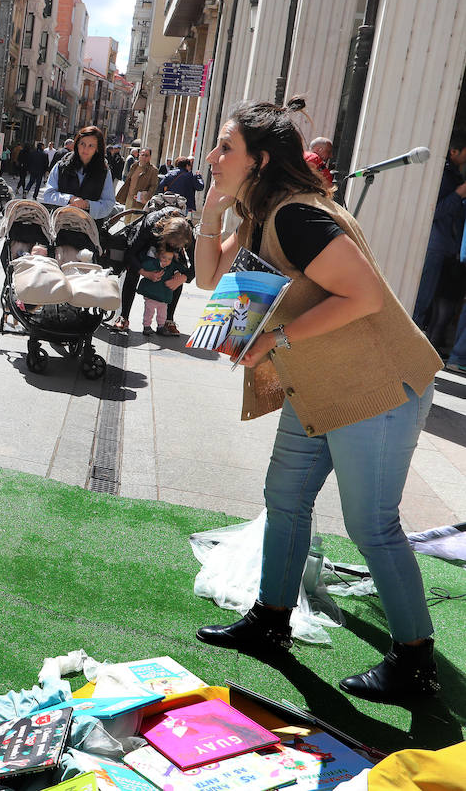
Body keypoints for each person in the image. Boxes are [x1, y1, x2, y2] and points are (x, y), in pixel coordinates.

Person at [192, 98, 442, 705]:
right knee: (284, 500)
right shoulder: (258, 215)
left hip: (377, 391)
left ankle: (414, 659)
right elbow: (208, 280)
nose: (213, 156)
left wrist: (274, 338)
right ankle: (271, 619)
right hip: (320, 390)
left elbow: (363, 296)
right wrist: (212, 211)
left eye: (227, 147)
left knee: (372, 527)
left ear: (262, 160)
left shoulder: (298, 217)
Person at [412, 131, 466, 339]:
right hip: (435, 246)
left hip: (448, 249)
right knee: (422, 298)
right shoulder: (442, 175)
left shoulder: (454, 174)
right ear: (454, 151)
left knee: (438, 301)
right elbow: (434, 212)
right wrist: (459, 194)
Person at [42, 125, 116, 219]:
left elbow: (108, 203)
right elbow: (48, 195)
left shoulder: (104, 172)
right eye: (82, 144)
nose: (85, 149)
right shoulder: (61, 166)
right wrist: (70, 199)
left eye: (91, 146)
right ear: (77, 144)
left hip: (88, 227)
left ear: (97, 148)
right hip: (58, 223)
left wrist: (87, 205)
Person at [135, 218, 194, 336]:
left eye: (179, 245)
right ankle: (126, 317)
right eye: (173, 244)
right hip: (151, 247)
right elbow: (133, 254)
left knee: (163, 309)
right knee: (149, 310)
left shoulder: (188, 235)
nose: (174, 246)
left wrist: (183, 276)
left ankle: (167, 321)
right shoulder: (150, 226)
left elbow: (196, 264)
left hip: (164, 294)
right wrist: (145, 272)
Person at [116, 145, 159, 210]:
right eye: (142, 155)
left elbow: (153, 186)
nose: (144, 157)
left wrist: (146, 197)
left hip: (139, 203)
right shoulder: (134, 166)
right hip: (129, 200)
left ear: (150, 157)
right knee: (126, 220)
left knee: (135, 220)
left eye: (146, 155)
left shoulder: (153, 170)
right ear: (139, 155)